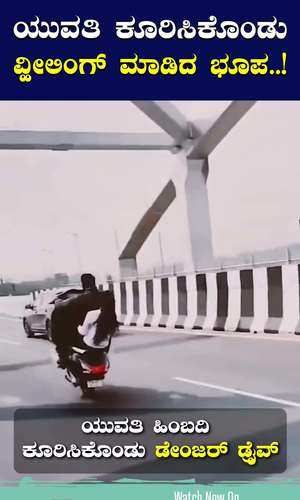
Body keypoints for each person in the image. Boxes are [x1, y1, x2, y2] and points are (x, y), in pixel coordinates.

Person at [51, 273, 117, 368]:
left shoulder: (80, 300)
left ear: (83, 284)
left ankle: (63, 359)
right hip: (104, 344)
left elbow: (81, 330)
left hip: (87, 341)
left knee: (60, 326)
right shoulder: (106, 299)